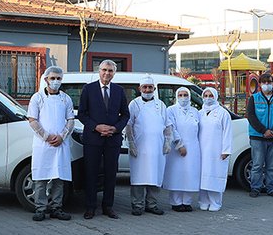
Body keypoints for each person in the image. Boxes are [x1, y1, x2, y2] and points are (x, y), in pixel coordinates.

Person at [77, 60, 130, 220]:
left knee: (110, 173)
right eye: (104, 70)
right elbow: (82, 114)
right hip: (93, 139)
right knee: (91, 173)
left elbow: (125, 115)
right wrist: (96, 127)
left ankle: (108, 206)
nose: (107, 73)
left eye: (110, 71)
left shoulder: (119, 91)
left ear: (114, 73)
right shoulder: (89, 89)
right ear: (99, 71)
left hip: (112, 140)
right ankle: (90, 207)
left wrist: (115, 129)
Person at [27, 66, 75, 221]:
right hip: (43, 145)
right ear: (46, 79)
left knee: (59, 177)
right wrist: (46, 136)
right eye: (52, 78)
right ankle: (40, 208)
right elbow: (32, 120)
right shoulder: (37, 98)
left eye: (58, 78)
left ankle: (56, 207)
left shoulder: (66, 99)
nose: (55, 81)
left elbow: (70, 120)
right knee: (41, 177)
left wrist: (62, 136)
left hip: (61, 144)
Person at [125, 75, 171, 216]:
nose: (147, 90)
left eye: (150, 87)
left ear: (154, 89)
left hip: (157, 148)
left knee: (155, 176)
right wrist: (131, 143)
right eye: (144, 87)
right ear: (140, 89)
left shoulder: (161, 105)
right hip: (139, 148)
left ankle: (152, 204)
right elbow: (128, 125)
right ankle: (137, 205)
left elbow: (168, 125)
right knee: (139, 177)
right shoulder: (134, 104)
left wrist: (167, 141)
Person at [246, 72, 273, 198]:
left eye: (269, 82)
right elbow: (251, 116)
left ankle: (272, 188)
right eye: (264, 82)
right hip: (257, 137)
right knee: (257, 164)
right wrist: (263, 130)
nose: (266, 85)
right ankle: (255, 188)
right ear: (259, 84)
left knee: (272, 165)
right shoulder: (254, 98)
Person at [163, 87, 201, 212]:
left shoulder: (195, 111)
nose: (183, 97)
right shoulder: (171, 110)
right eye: (180, 95)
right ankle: (176, 202)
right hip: (177, 148)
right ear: (176, 96)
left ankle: (187, 201)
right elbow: (171, 128)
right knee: (176, 174)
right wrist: (179, 144)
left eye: (185, 95)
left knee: (190, 173)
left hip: (193, 147)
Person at [197, 88, 232, 211]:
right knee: (203, 177)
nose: (208, 98)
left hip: (216, 151)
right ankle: (203, 200)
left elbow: (227, 132)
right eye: (205, 95)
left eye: (210, 95)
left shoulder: (222, 113)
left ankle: (215, 202)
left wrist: (226, 150)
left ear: (215, 96)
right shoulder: (199, 113)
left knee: (215, 176)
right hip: (201, 150)